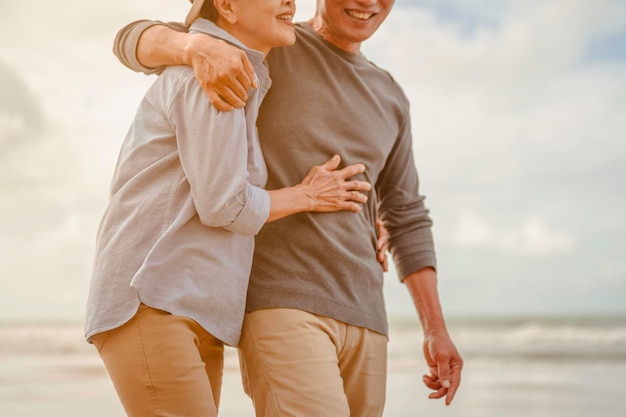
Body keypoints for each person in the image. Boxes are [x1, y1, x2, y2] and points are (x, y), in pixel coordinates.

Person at [113, 0, 464, 415]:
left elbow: (405, 215)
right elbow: (131, 40)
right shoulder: (268, 42)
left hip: (367, 311)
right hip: (281, 299)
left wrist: (434, 330)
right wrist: (194, 48)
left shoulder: (390, 96)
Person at [85, 1, 373, 416]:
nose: (291, 1)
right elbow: (225, 205)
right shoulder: (212, 72)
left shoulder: (242, 72)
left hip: (189, 307)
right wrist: (308, 196)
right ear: (226, 6)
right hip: (152, 298)